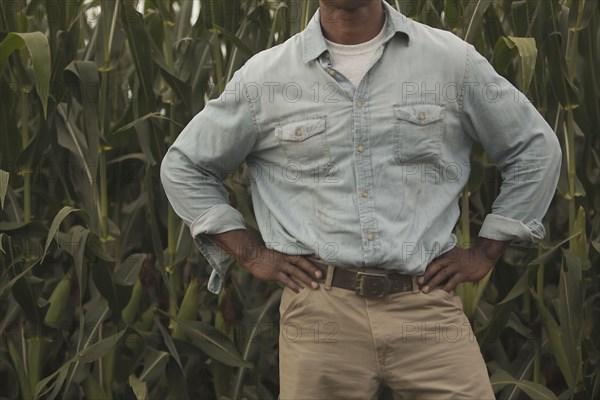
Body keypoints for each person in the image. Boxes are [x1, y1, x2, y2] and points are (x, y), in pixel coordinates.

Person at [160, 0, 562, 398]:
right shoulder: (266, 78)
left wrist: (486, 252)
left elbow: (534, 148)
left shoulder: (450, 62)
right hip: (319, 310)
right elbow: (185, 165)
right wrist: (251, 254)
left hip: (425, 305)